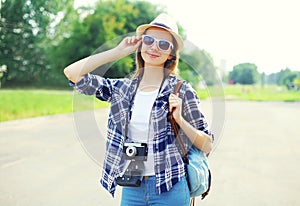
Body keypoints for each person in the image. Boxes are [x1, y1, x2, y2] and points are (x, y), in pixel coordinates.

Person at [64, 13, 213, 206]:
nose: (154, 47)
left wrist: (181, 121)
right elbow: (72, 74)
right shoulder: (122, 89)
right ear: (141, 44)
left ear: (171, 54)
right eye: (149, 40)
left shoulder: (182, 90)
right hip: (132, 187)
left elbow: (207, 144)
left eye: (164, 44)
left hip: (171, 186)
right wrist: (117, 52)